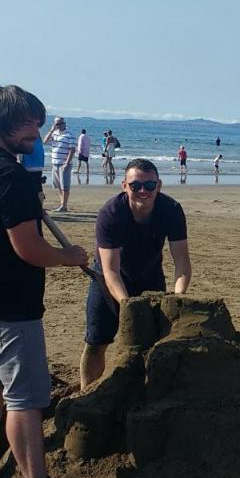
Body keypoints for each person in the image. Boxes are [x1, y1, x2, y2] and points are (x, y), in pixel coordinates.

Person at [0, 84, 88, 478]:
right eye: (27, 124)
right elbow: (29, 249)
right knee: (25, 402)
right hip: (6, 307)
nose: (35, 132)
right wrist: (69, 257)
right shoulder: (9, 176)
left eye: (38, 124)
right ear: (2, 122)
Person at [79, 158, 192, 388]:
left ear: (158, 186)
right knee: (97, 341)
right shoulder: (111, 214)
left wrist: (177, 296)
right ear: (124, 186)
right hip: (108, 278)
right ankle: (86, 392)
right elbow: (111, 271)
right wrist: (127, 304)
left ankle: (145, 391)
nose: (143, 191)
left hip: (149, 274)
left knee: (152, 342)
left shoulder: (171, 210)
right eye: (135, 185)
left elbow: (181, 259)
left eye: (149, 186)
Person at [43, 117, 76, 211]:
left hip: (64, 163)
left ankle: (64, 205)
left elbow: (72, 149)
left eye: (60, 124)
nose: (58, 126)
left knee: (64, 185)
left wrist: (67, 162)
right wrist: (51, 130)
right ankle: (62, 204)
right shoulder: (54, 133)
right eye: (56, 124)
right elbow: (45, 141)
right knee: (58, 185)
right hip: (55, 163)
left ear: (64, 123)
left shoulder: (69, 135)